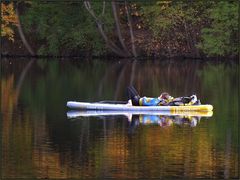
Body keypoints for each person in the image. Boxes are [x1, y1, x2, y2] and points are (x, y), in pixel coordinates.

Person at [127, 86, 200, 106]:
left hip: (138, 101)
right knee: (129, 87)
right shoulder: (159, 101)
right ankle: (130, 102)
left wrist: (144, 99)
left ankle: (130, 102)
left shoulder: (158, 101)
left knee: (129, 88)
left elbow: (148, 103)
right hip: (138, 101)